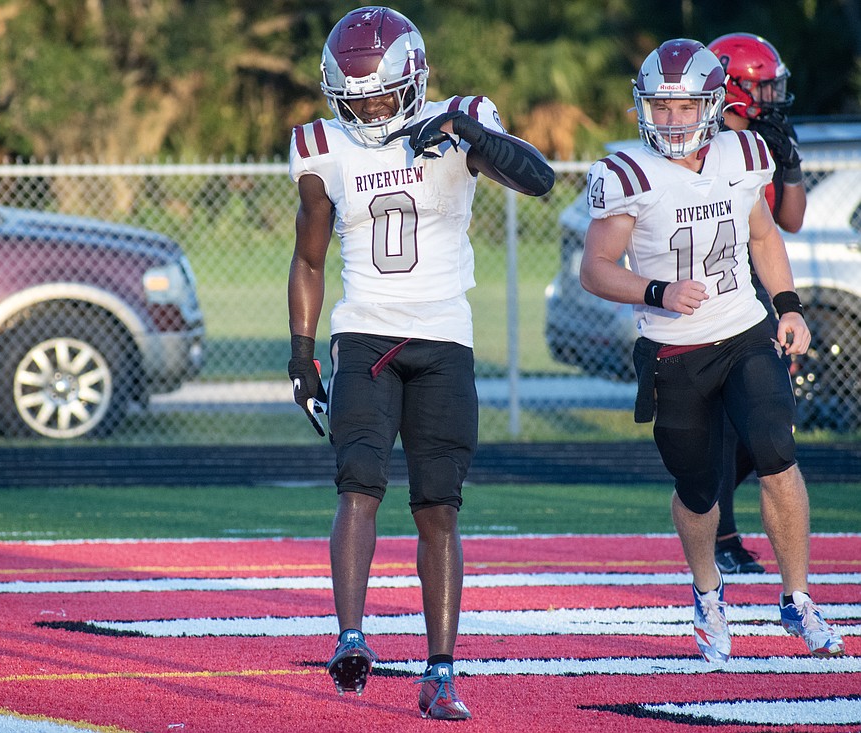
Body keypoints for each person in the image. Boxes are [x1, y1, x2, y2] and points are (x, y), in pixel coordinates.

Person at [286, 5, 554, 720]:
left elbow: (540, 179)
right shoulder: (322, 145)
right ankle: (350, 635)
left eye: (380, 93)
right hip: (364, 333)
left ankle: (441, 670)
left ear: (412, 79)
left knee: (439, 507)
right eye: (357, 96)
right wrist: (301, 355)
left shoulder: (461, 116)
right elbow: (309, 256)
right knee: (358, 484)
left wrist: (471, 134)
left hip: (443, 338)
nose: (370, 109)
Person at [578, 38, 844, 665]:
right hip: (673, 350)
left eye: (683, 106)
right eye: (660, 107)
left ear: (710, 104)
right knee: (699, 487)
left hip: (744, 329)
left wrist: (789, 307)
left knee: (777, 451)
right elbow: (595, 268)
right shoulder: (627, 173)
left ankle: (797, 597)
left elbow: (763, 234)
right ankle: (707, 593)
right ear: (644, 107)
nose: (670, 120)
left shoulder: (746, 151)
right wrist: (657, 290)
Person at [706, 32, 807, 575]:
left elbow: (789, 221)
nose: (772, 97)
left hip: (759, 288)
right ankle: (719, 534)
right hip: (711, 284)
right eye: (762, 87)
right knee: (721, 425)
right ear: (732, 87)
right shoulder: (705, 140)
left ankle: (719, 525)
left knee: (768, 420)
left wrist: (788, 162)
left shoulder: (765, 138)